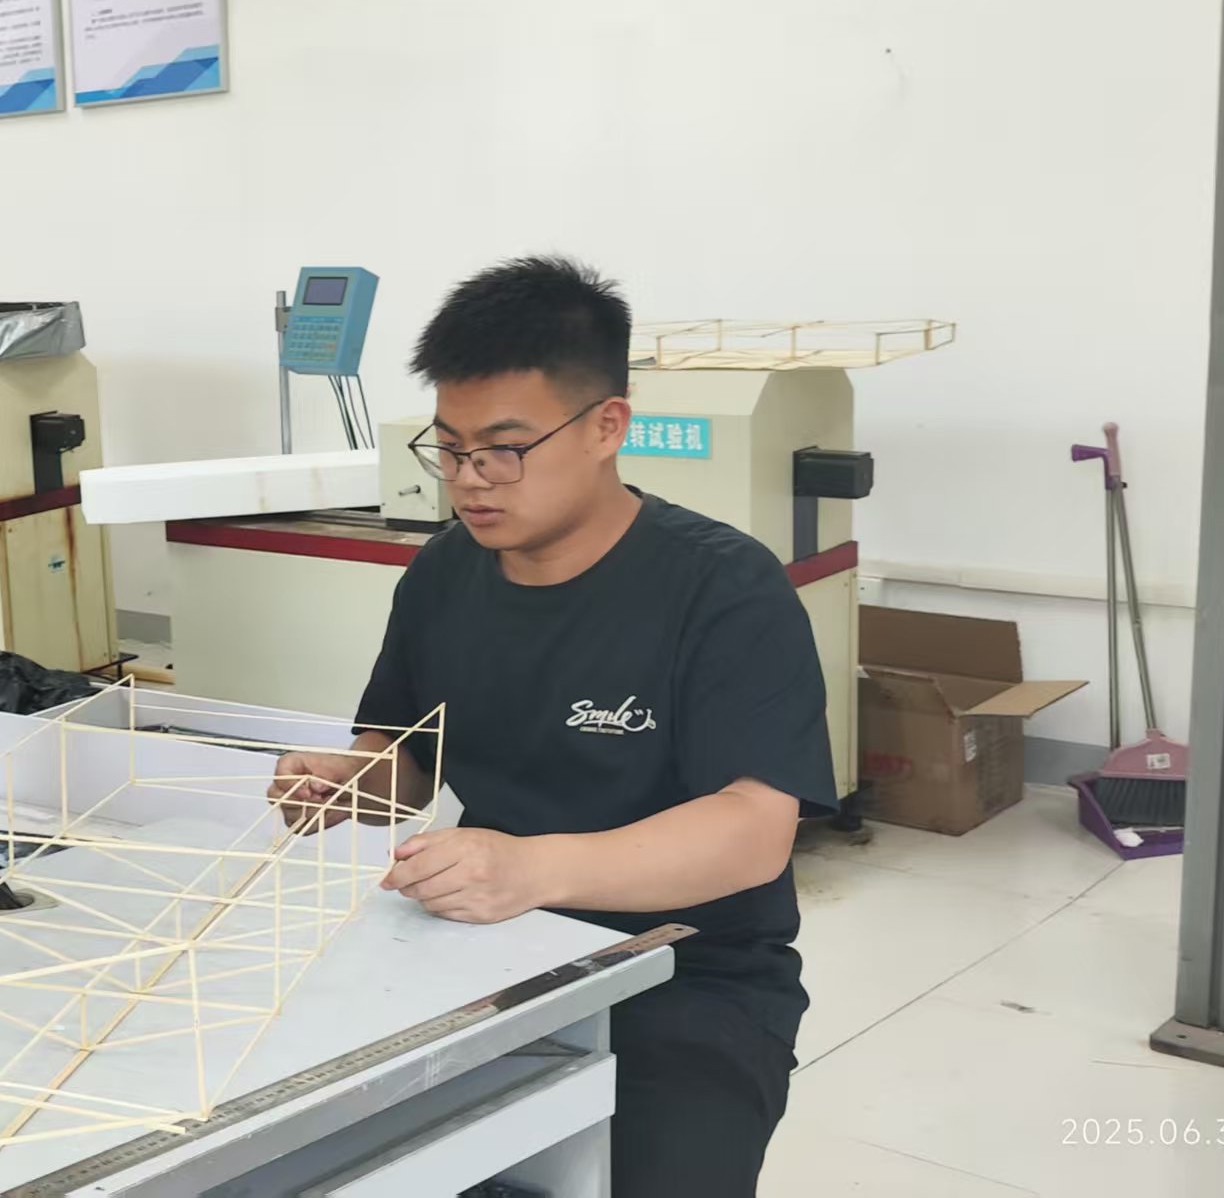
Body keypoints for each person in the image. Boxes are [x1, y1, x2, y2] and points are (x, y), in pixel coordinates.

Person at [271, 257, 833, 1198]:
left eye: (503, 449)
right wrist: (349, 782)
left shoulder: (722, 588)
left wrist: (534, 869)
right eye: (448, 449)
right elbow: (408, 757)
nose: (469, 481)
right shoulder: (444, 573)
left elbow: (752, 831)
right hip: (480, 945)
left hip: (683, 974)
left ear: (606, 426)